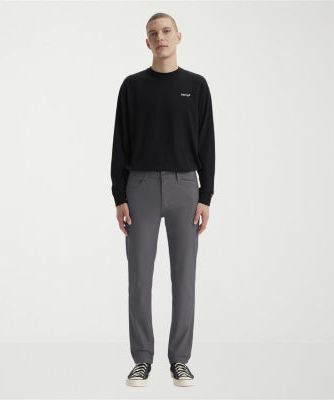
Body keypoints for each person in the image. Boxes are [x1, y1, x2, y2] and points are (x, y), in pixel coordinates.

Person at [110, 12, 215, 387]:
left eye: (167, 31)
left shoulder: (196, 86)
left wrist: (205, 195)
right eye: (153, 33)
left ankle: (180, 360)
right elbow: (120, 142)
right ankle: (142, 359)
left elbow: (207, 143)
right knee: (139, 278)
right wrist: (119, 195)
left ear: (179, 36)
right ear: (147, 42)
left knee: (184, 278)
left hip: (186, 186)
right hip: (139, 187)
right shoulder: (132, 86)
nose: (161, 37)